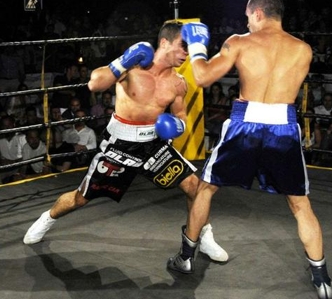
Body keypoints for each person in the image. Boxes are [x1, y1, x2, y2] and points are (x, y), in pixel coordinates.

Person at [167, 0, 332, 299]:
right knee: (300, 204)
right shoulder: (303, 50)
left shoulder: (240, 42)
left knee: (206, 189)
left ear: (257, 13)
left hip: (245, 124)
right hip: (283, 127)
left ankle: (186, 258)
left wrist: (195, 47)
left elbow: (203, 77)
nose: (246, 21)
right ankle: (322, 279)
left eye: (248, 17)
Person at [23, 21, 228, 264]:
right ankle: (48, 218)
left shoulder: (178, 82)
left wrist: (178, 126)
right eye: (183, 46)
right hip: (119, 145)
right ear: (164, 42)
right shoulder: (133, 68)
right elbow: (94, 83)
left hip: (154, 144)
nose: (187, 53)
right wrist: (123, 60)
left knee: (195, 187)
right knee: (81, 198)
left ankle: (203, 235)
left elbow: (182, 116)